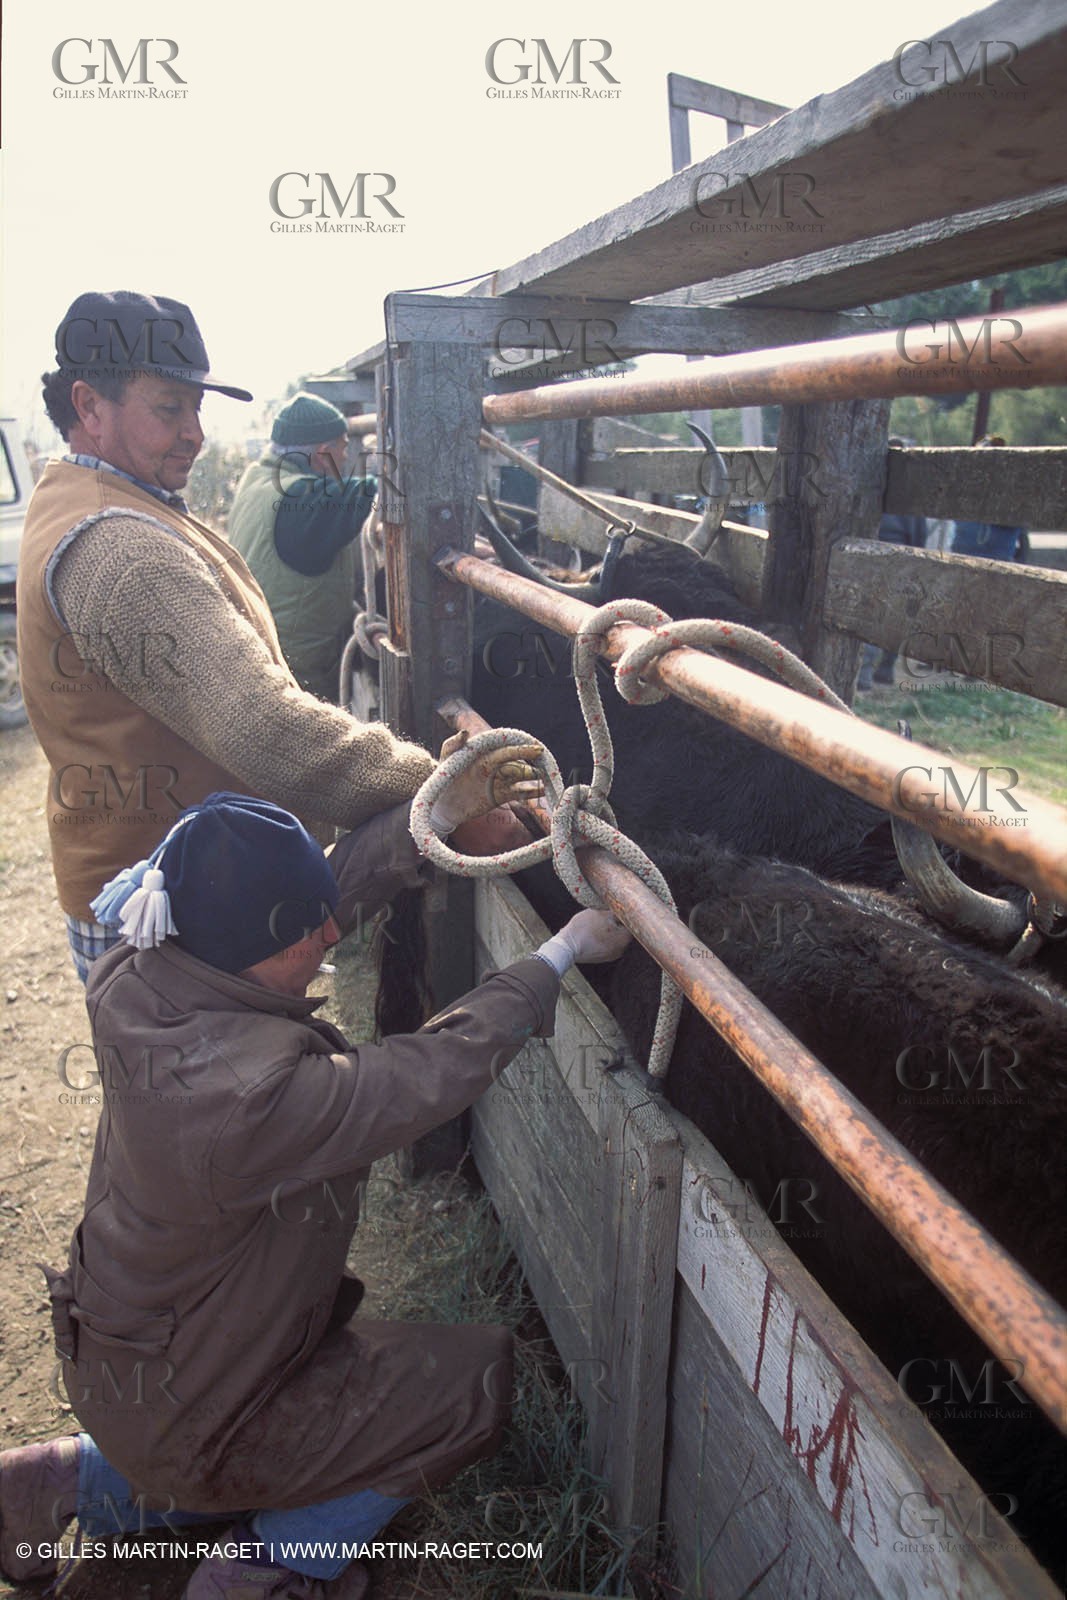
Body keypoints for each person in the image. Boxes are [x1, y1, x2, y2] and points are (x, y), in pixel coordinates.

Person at [0, 773, 631, 1600]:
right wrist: (560, 953)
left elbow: (298, 900)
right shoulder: (248, 1102)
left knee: (215, 1416)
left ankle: (57, 1482)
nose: (332, 932)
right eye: (309, 929)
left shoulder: (140, 962)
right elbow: (428, 1071)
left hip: (124, 1365)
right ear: (256, 947)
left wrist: (424, 823)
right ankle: (267, 1565)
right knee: (475, 1382)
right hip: (196, 1411)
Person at [18, 291, 520, 984]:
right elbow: (263, 728)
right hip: (172, 917)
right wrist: (442, 791)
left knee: (178, 1090)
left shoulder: (88, 500)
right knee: (214, 1090)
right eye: (169, 408)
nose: (194, 432)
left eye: (197, 408)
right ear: (88, 406)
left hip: (158, 886)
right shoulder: (120, 548)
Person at [227, 394, 375, 702]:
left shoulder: (255, 479)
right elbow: (379, 490)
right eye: (344, 447)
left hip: (259, 657)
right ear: (323, 455)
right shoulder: (300, 502)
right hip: (298, 678)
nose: (347, 457)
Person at [950, 435, 1028, 562]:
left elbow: (1023, 542)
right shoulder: (963, 493)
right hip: (961, 563)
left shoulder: (1011, 497)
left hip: (1000, 566)